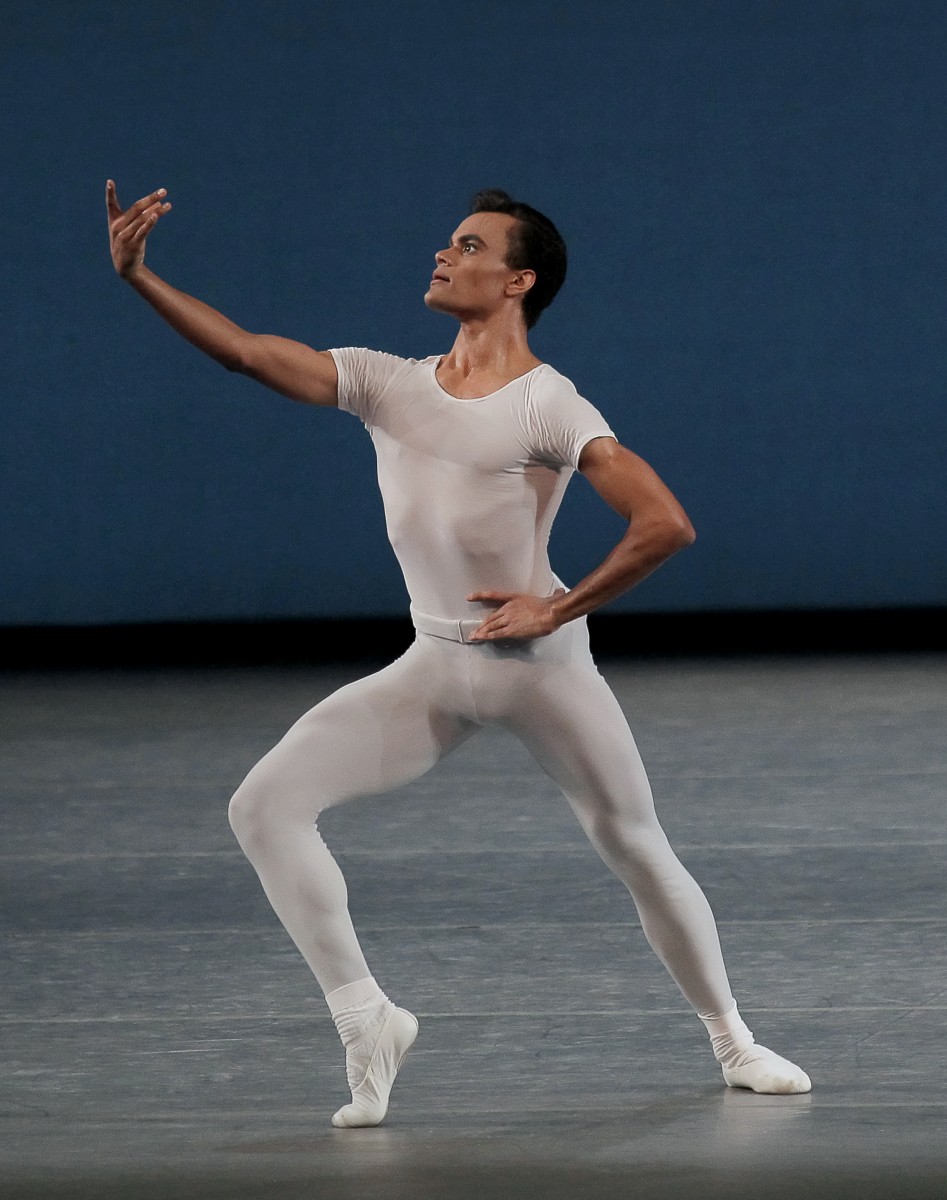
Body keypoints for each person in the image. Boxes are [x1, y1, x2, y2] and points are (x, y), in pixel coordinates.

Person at [106, 180, 811, 1128]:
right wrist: (140, 276)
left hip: (539, 676)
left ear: (517, 280)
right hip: (433, 667)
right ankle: (368, 1020)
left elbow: (664, 524)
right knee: (263, 807)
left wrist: (557, 610)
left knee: (633, 844)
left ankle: (733, 1039)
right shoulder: (383, 381)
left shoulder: (550, 404)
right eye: (447, 242)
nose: (444, 255)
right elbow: (244, 353)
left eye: (469, 246)